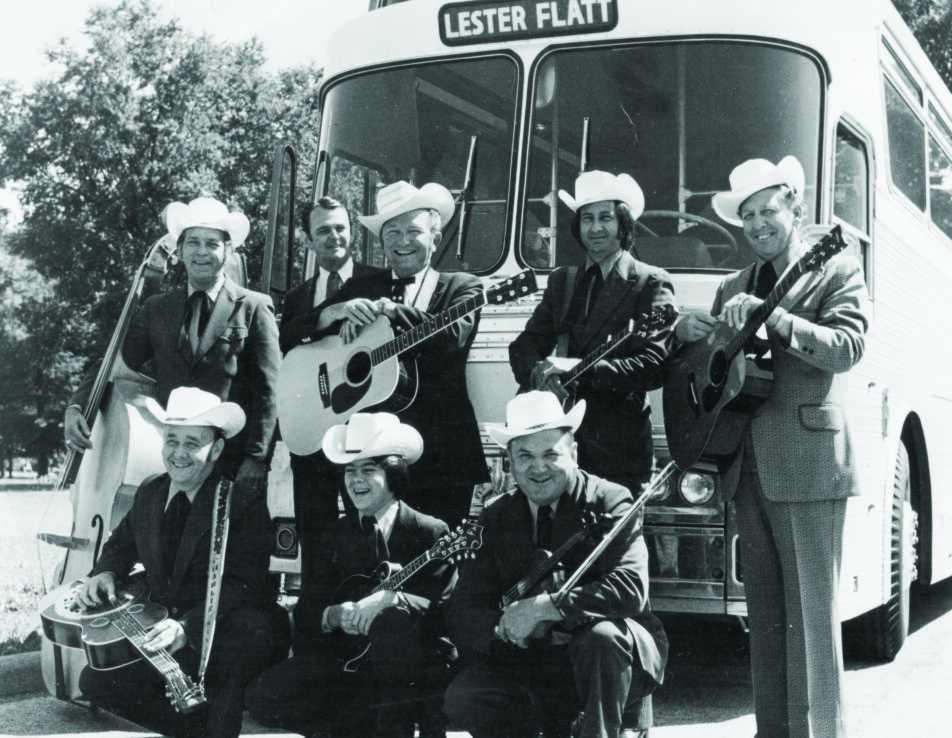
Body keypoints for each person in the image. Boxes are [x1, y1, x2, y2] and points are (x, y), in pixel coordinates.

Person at [672, 156, 868, 738]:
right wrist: (686, 333)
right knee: (767, 622)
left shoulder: (833, 266)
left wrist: (779, 320)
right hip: (745, 465)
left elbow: (848, 346)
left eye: (768, 210)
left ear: (796, 209)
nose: (757, 224)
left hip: (808, 464)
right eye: (747, 215)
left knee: (812, 620)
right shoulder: (734, 284)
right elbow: (711, 368)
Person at [443, 390, 668, 738]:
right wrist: (504, 626)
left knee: (601, 637)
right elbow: (464, 606)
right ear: (510, 461)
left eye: (551, 454)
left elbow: (630, 588)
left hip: (607, 663)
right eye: (525, 456)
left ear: (574, 453)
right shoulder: (496, 515)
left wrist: (542, 609)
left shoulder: (610, 499)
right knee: (466, 695)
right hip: (535, 660)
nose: (538, 467)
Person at [73, 386, 289, 738]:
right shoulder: (149, 492)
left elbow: (242, 588)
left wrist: (187, 627)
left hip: (218, 635)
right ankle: (189, 722)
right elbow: (120, 545)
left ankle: (217, 723)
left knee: (251, 630)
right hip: (161, 631)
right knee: (94, 682)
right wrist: (104, 573)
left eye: (192, 443)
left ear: (216, 449)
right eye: (172, 441)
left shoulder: (242, 502)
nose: (179, 453)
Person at [280, 180, 489, 528]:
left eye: (413, 231)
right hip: (371, 458)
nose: (402, 242)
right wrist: (333, 313)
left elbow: (453, 336)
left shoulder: (463, 286)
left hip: (442, 456)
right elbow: (289, 335)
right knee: (372, 559)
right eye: (392, 233)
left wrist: (391, 311)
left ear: (436, 238)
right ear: (381, 242)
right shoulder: (361, 288)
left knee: (436, 563)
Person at [245, 412, 455, 738]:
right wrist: (334, 615)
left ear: (395, 474)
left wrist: (394, 600)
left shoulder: (429, 532)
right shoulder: (335, 533)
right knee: (261, 695)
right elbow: (305, 611)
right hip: (345, 662)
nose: (356, 480)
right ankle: (344, 725)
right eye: (349, 471)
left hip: (404, 670)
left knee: (392, 629)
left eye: (368, 470)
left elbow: (444, 610)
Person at [64, 197, 281, 496]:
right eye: (193, 242)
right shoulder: (157, 308)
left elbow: (270, 389)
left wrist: (257, 457)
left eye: (212, 243)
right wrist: (78, 405)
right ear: (179, 251)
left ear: (228, 251)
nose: (202, 251)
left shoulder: (255, 306)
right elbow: (113, 360)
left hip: (231, 461)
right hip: (171, 461)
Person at [508, 171, 675, 495]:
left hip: (617, 449)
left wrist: (576, 370)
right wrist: (541, 377)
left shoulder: (650, 281)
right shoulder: (562, 281)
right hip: (556, 448)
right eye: (587, 219)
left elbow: (654, 365)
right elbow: (524, 345)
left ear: (624, 224)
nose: (595, 228)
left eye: (605, 218)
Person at [278, 197, 388, 576]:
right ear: (308, 240)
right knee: (315, 543)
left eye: (341, 228)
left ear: (353, 232)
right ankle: (316, 625)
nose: (334, 236)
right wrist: (328, 314)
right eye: (323, 230)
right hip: (312, 437)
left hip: (363, 437)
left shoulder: (379, 281)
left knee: (369, 537)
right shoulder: (297, 298)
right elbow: (285, 341)